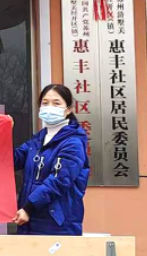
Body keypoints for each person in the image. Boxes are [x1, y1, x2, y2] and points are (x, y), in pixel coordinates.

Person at [12, 83, 91, 236]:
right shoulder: (38, 140)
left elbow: (59, 181)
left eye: (56, 103)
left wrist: (29, 208)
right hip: (29, 220)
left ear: (68, 109)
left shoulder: (73, 142)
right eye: (45, 103)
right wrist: (2, 133)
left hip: (56, 224)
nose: (50, 107)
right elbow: (12, 161)